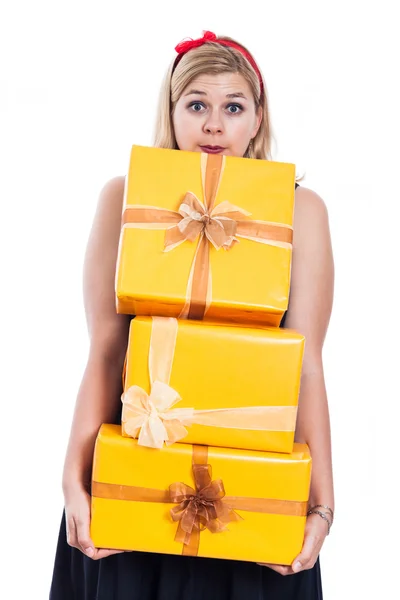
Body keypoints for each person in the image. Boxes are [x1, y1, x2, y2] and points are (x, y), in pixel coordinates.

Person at [49, 30, 334, 600]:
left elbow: (306, 365)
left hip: (250, 488)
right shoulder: (124, 198)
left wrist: (322, 505)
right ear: (172, 112)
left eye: (233, 107)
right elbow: (106, 351)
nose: (214, 124)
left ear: (257, 118)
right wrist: (73, 483)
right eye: (197, 105)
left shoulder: (301, 211)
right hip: (136, 483)